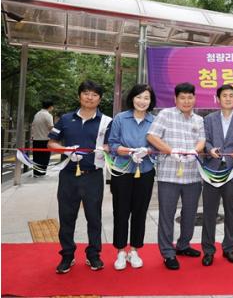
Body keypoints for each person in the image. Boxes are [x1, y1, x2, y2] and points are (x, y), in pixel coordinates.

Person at [48, 80, 112, 274]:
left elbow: (111, 145)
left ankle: (93, 254)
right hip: (68, 175)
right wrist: (66, 150)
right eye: (86, 93)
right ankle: (67, 255)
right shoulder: (66, 119)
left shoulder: (107, 122)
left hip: (93, 175)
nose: (89, 97)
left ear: (99, 99)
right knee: (66, 216)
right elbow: (51, 143)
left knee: (94, 217)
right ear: (79, 96)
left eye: (94, 94)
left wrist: (103, 149)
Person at [146, 82, 206, 270]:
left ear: (194, 99)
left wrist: (195, 151)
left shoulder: (199, 119)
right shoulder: (165, 114)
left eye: (190, 97)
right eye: (182, 98)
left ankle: (183, 245)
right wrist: (171, 151)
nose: (186, 101)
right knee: (167, 214)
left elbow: (202, 140)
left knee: (190, 213)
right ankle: (167, 252)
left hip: (193, 175)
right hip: (169, 175)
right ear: (175, 99)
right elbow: (151, 136)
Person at [107, 84, 157, 270]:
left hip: (145, 172)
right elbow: (112, 144)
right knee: (120, 211)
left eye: (146, 98)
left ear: (151, 101)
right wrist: (128, 152)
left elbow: (158, 147)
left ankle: (134, 250)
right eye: (139, 97)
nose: (142, 101)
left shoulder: (154, 121)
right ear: (132, 98)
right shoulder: (120, 118)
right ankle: (121, 251)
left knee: (140, 211)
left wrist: (148, 151)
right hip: (122, 171)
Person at [201, 84, 233, 266]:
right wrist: (209, 149)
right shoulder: (209, 119)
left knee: (231, 212)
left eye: (231, 95)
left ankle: (229, 248)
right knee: (209, 212)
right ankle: (208, 250)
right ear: (218, 99)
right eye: (224, 95)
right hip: (212, 171)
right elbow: (205, 140)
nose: (228, 98)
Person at [31, 99, 54, 177]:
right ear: (50, 107)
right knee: (44, 157)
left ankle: (36, 173)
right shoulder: (48, 115)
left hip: (36, 139)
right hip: (45, 139)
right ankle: (42, 173)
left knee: (36, 157)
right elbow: (51, 127)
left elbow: (33, 126)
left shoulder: (37, 114)